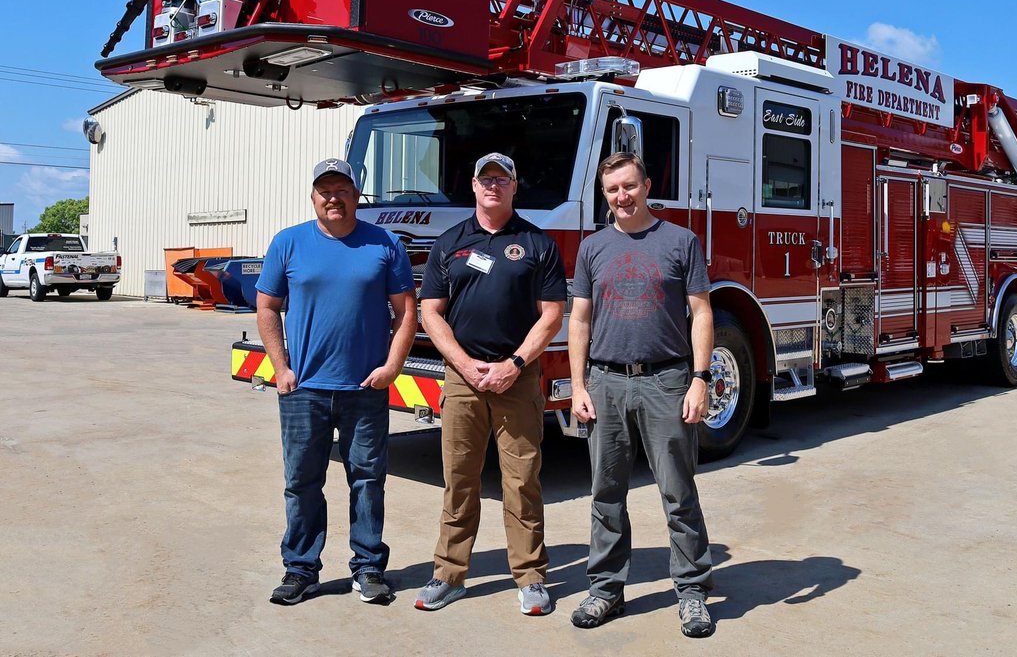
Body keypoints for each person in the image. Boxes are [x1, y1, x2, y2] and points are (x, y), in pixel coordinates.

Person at [568, 151, 716, 638]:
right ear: (604, 195)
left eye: (629, 186)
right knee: (605, 493)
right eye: (612, 190)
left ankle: (692, 592)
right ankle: (606, 591)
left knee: (677, 491)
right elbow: (581, 320)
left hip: (666, 382)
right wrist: (578, 386)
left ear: (647, 185)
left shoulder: (680, 241)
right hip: (607, 383)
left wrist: (700, 378)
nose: (622, 197)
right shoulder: (593, 248)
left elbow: (702, 314)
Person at [256, 158, 417, 606]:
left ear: (355, 195)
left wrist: (392, 367)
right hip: (303, 388)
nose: (333, 197)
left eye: (341, 189)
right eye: (324, 189)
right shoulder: (288, 243)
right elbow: (267, 307)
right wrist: (281, 368)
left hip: (365, 389)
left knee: (367, 479)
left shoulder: (384, 243)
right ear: (313, 197)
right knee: (302, 481)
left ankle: (368, 569)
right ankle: (301, 569)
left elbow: (406, 311)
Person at [415, 152, 567, 616]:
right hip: (463, 379)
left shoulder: (538, 243)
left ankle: (531, 577)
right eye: (486, 179)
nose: (493, 187)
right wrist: (462, 363)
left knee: (522, 481)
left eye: (503, 179)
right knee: (459, 480)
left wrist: (515, 363)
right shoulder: (450, 242)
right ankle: (448, 573)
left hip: (516, 380)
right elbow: (430, 312)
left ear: (515, 187)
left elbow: (552, 315)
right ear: (474, 187)